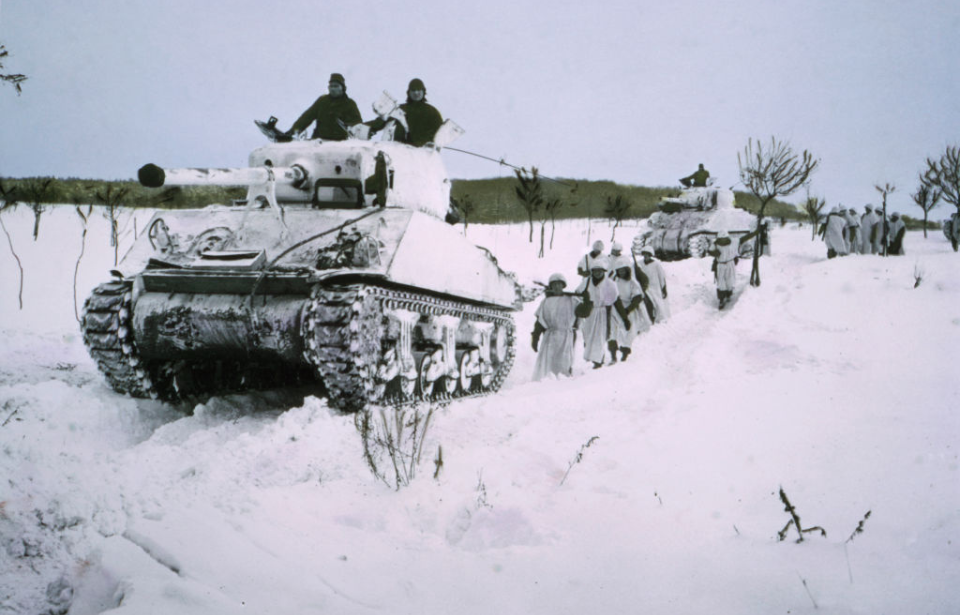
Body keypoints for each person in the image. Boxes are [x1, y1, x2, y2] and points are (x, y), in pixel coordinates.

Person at [531, 273, 581, 381]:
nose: (557, 287)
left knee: (565, 361)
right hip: (550, 336)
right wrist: (535, 337)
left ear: (563, 286)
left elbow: (582, 313)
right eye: (554, 285)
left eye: (559, 284)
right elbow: (540, 321)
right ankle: (548, 381)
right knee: (549, 361)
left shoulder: (572, 300)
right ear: (551, 287)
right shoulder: (546, 302)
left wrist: (587, 301)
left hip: (566, 336)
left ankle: (564, 381)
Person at [367, 78, 444, 147]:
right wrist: (362, 127)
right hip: (401, 152)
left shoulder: (432, 112)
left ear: (423, 91)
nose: (416, 93)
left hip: (423, 155)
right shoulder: (400, 109)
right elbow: (381, 121)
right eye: (413, 90)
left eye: (419, 90)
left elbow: (441, 133)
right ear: (409, 92)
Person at [287, 73, 363, 141]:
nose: (333, 89)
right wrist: (292, 132)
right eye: (331, 86)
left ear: (342, 88)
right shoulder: (322, 101)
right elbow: (306, 118)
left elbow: (357, 125)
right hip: (319, 141)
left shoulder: (349, 104)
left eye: (336, 86)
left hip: (339, 143)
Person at [574, 257, 619, 368]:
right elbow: (578, 293)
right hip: (590, 313)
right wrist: (584, 300)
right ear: (592, 272)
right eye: (595, 271)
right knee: (588, 335)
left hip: (603, 312)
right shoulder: (587, 282)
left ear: (603, 272)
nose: (597, 273)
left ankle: (598, 361)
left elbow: (614, 298)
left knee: (599, 336)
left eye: (600, 271)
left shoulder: (609, 283)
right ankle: (593, 357)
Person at [609, 256, 650, 362]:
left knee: (631, 328)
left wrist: (629, 309)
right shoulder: (614, 281)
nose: (621, 272)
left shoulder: (632, 282)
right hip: (615, 306)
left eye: (623, 270)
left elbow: (637, 297)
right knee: (612, 329)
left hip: (629, 307)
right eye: (619, 270)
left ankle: (625, 350)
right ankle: (613, 353)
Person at [707, 230, 756, 310]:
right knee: (721, 282)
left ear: (727, 237)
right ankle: (721, 299)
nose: (723, 240)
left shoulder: (733, 242)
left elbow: (744, 238)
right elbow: (709, 250)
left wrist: (755, 233)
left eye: (724, 238)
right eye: (721, 239)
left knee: (730, 280)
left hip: (730, 264)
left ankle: (729, 294)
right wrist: (714, 253)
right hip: (720, 265)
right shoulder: (716, 244)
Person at [636, 247, 670, 323]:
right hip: (645, 287)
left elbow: (661, 277)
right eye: (644, 254)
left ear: (650, 255)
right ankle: (649, 317)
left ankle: (658, 317)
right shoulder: (639, 264)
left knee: (658, 303)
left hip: (655, 287)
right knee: (647, 303)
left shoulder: (656, 264)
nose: (645, 256)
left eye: (647, 255)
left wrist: (663, 288)